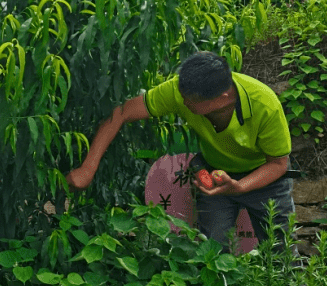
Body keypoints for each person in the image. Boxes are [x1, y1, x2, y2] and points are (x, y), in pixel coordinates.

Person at [66, 51, 295, 249]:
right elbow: (122, 112)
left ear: (221, 98)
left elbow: (277, 164)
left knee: (281, 250)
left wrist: (240, 187)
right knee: (211, 250)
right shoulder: (181, 91)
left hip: (265, 181)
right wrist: (88, 167)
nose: (182, 103)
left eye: (190, 101)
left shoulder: (264, 105)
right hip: (215, 175)